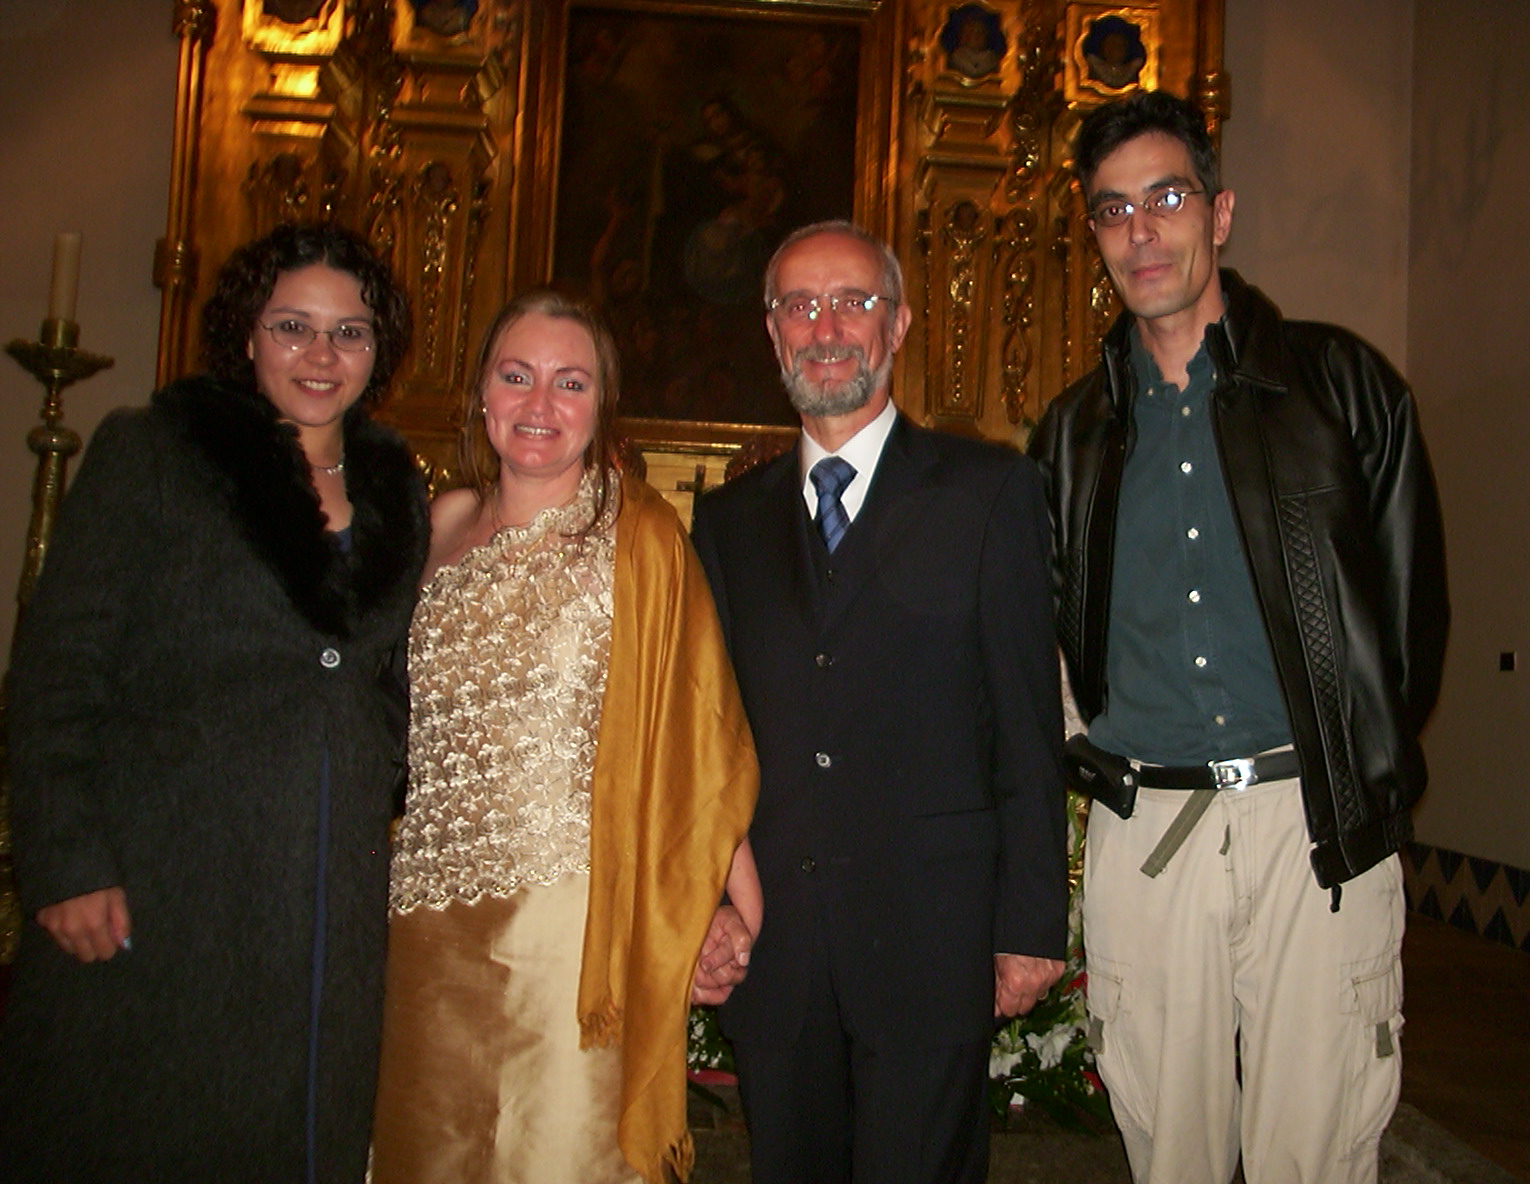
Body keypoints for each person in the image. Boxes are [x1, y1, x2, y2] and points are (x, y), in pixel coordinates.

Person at [1028, 91, 1449, 1184]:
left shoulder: (1341, 386)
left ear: (1219, 212)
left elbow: (1409, 619)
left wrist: (1354, 766)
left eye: (1165, 198)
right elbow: (1054, 636)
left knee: (1316, 1149)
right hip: (1147, 830)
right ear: (1094, 234)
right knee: (1167, 1149)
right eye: (1112, 209)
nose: (1140, 231)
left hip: (1310, 823)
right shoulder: (1071, 437)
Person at [0, 223, 428, 1183]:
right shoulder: (157, 453)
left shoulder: (397, 489)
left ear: (379, 350)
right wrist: (64, 863)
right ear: (246, 334)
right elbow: (56, 669)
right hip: (167, 887)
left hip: (328, 906)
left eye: (350, 332)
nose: (322, 354)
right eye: (293, 326)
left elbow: (384, 681)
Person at [690, 220, 1068, 1184]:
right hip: (776, 946)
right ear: (772, 332)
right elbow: (705, 740)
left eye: (853, 302)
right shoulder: (726, 524)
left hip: (930, 940)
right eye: (800, 306)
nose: (826, 328)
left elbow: (1025, 725)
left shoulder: (990, 492)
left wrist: (1030, 924)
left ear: (897, 326)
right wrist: (706, 904)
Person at [367, 289, 760, 1184]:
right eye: (517, 376)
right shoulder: (439, 525)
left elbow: (694, 728)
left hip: (571, 931)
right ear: (481, 392)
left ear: (600, 405)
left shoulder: (638, 534)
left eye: (569, 382)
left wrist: (724, 901)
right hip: (424, 923)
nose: (540, 404)